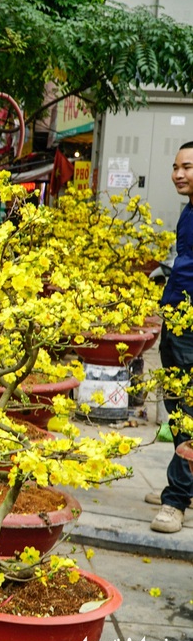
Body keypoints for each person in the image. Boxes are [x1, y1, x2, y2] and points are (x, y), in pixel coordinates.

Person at [150, 141, 193, 534]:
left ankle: (177, 499)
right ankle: (185, 484)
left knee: (187, 408)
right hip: (178, 317)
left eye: (188, 167)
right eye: (176, 166)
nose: (179, 174)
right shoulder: (188, 212)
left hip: (190, 325)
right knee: (177, 401)